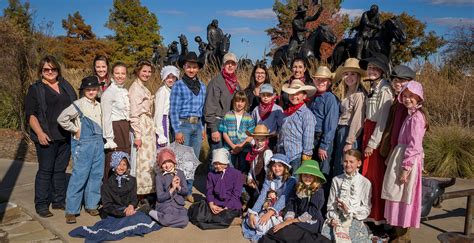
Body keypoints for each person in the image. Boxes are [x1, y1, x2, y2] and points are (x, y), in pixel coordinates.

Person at [25, 55, 77, 217]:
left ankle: (58, 200)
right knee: (46, 171)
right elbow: (31, 114)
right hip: (46, 136)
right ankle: (41, 204)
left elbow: (75, 106)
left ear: (57, 70)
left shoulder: (65, 85)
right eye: (46, 69)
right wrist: (39, 132)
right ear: (41, 71)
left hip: (65, 136)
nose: (50, 72)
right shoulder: (36, 89)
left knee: (60, 170)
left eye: (53, 69)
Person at [382, 81, 428, 242]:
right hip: (401, 155)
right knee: (396, 194)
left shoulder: (417, 118)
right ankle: (397, 232)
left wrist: (406, 168)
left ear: (418, 97)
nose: (408, 99)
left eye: (411, 96)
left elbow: (415, 145)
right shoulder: (411, 115)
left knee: (403, 195)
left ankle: (402, 236)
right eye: (405, 96)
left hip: (407, 159)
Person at [57, 76, 104, 224]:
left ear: (98, 90)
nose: (91, 91)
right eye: (88, 89)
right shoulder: (78, 104)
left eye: (94, 89)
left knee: (96, 175)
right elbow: (62, 118)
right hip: (83, 145)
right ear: (83, 91)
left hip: (98, 144)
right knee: (79, 176)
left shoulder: (99, 105)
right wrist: (74, 129)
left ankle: (91, 204)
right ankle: (71, 210)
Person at [359, 54, 393, 226]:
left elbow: (383, 120)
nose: (371, 71)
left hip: (375, 134)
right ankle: (367, 212)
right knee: (366, 174)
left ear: (381, 71)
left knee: (374, 175)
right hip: (368, 130)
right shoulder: (373, 87)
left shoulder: (385, 90)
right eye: (370, 68)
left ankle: (378, 216)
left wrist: (373, 143)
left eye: (374, 68)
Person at [259, 160, 329, 243]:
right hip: (296, 218)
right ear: (301, 175)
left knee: (289, 231)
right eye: (305, 175)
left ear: (315, 177)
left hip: (310, 221)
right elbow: (291, 204)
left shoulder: (318, 191)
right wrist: (289, 217)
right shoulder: (298, 187)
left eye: (311, 176)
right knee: (278, 230)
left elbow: (311, 213)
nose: (307, 178)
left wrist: (289, 222)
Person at [242, 154, 296, 242]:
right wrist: (253, 212)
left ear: (285, 167)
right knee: (253, 221)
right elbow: (262, 195)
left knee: (275, 226)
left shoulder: (291, 180)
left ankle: (266, 228)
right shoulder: (269, 179)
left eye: (280, 166)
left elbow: (283, 199)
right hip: (269, 206)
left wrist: (270, 213)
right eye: (274, 166)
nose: (277, 169)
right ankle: (262, 226)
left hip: (284, 209)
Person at [321, 149, 372, 242]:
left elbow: (366, 209)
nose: (348, 165)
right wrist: (333, 218)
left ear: (359, 163)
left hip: (354, 218)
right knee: (328, 238)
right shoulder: (336, 180)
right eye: (345, 161)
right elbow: (331, 205)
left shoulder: (365, 182)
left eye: (351, 162)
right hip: (336, 217)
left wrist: (349, 211)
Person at [188, 148, 243, 230]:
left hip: (230, 205)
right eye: (215, 164)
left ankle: (230, 220)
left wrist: (225, 208)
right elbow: (209, 191)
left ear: (226, 162)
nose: (217, 166)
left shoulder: (237, 174)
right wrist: (211, 204)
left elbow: (236, 194)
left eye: (219, 163)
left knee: (223, 215)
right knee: (199, 214)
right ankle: (227, 222)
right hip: (216, 203)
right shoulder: (211, 174)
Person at [332, 58, 367, 176]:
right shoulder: (346, 93)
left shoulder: (359, 95)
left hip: (350, 133)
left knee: (348, 164)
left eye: (353, 74)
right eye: (346, 74)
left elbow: (357, 119)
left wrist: (350, 141)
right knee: (339, 164)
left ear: (358, 76)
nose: (349, 77)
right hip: (341, 130)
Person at [129, 60, 157, 199]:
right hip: (141, 125)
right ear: (138, 71)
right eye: (144, 71)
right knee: (141, 161)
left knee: (149, 159)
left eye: (149, 71)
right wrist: (138, 135)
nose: (147, 74)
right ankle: (140, 193)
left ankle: (148, 191)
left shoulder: (144, 87)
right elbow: (133, 114)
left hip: (147, 125)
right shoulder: (135, 89)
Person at [277, 79, 317, 172]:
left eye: (298, 93)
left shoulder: (306, 114)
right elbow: (282, 131)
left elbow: (308, 137)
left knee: (295, 180)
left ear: (304, 96)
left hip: (296, 155)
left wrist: (306, 154)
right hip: (283, 152)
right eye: (292, 94)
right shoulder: (287, 113)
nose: (294, 96)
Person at [205, 52, 241, 151]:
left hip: (230, 123)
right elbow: (209, 106)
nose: (230, 66)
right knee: (218, 157)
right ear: (223, 65)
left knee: (228, 156)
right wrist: (213, 129)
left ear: (236, 66)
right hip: (217, 122)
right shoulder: (216, 82)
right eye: (227, 63)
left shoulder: (236, 84)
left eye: (232, 63)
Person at [101, 62, 131, 180]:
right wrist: (109, 138)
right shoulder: (109, 93)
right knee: (114, 159)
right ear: (112, 75)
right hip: (114, 128)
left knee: (124, 160)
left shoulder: (124, 91)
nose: (120, 76)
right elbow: (106, 117)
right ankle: (109, 189)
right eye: (117, 73)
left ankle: (122, 190)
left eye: (123, 73)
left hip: (124, 127)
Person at [379, 65, 416, 158]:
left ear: (410, 82)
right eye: (395, 80)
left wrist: (392, 148)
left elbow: (398, 128)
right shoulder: (397, 99)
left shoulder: (405, 104)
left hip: (401, 148)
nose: (398, 83)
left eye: (402, 80)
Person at [309, 66, 339, 178]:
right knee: (312, 169)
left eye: (324, 80)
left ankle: (322, 194)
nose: (320, 82)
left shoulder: (330, 98)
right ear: (314, 80)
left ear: (329, 82)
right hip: (312, 138)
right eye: (318, 79)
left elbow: (331, 124)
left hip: (323, 137)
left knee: (323, 171)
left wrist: (324, 145)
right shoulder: (313, 97)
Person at [149, 148, 189, 228]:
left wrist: (178, 187)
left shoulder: (180, 173)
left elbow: (186, 192)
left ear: (173, 161)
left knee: (185, 220)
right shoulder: (159, 177)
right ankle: (151, 212)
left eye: (169, 161)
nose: (167, 165)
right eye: (164, 163)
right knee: (167, 219)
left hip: (178, 205)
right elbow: (160, 198)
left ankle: (164, 219)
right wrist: (172, 189)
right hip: (165, 205)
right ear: (160, 165)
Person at [219, 91, 255, 173]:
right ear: (234, 101)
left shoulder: (248, 117)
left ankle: (241, 186)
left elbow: (251, 135)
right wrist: (233, 146)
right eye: (238, 101)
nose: (240, 104)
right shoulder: (228, 115)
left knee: (242, 170)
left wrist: (240, 146)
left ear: (245, 103)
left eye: (242, 101)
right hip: (230, 148)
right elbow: (224, 132)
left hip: (244, 148)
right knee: (229, 169)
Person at [100, 151, 140, 218]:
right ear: (114, 165)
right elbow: (107, 206)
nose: (121, 168)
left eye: (124, 164)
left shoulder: (132, 180)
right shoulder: (106, 186)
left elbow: (134, 198)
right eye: (119, 164)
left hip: (129, 210)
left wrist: (131, 206)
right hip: (115, 212)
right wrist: (122, 213)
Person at [244, 124, 274, 208]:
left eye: (262, 140)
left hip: (263, 184)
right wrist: (250, 178)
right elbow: (251, 167)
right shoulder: (253, 151)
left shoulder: (267, 152)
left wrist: (268, 187)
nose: (260, 142)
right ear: (254, 139)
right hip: (256, 182)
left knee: (261, 201)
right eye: (257, 139)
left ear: (266, 139)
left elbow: (268, 171)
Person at [251, 83, 284, 149]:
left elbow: (281, 126)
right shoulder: (256, 109)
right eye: (263, 95)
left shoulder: (277, 109)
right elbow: (252, 124)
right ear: (260, 95)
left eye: (268, 95)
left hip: (272, 138)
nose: (265, 97)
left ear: (273, 96)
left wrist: (277, 136)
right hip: (258, 139)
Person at [154, 65, 180, 148]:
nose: (171, 80)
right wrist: (160, 132)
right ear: (164, 78)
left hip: (172, 122)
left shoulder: (175, 90)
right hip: (164, 121)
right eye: (168, 77)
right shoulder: (162, 91)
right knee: (165, 147)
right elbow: (158, 112)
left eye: (173, 77)